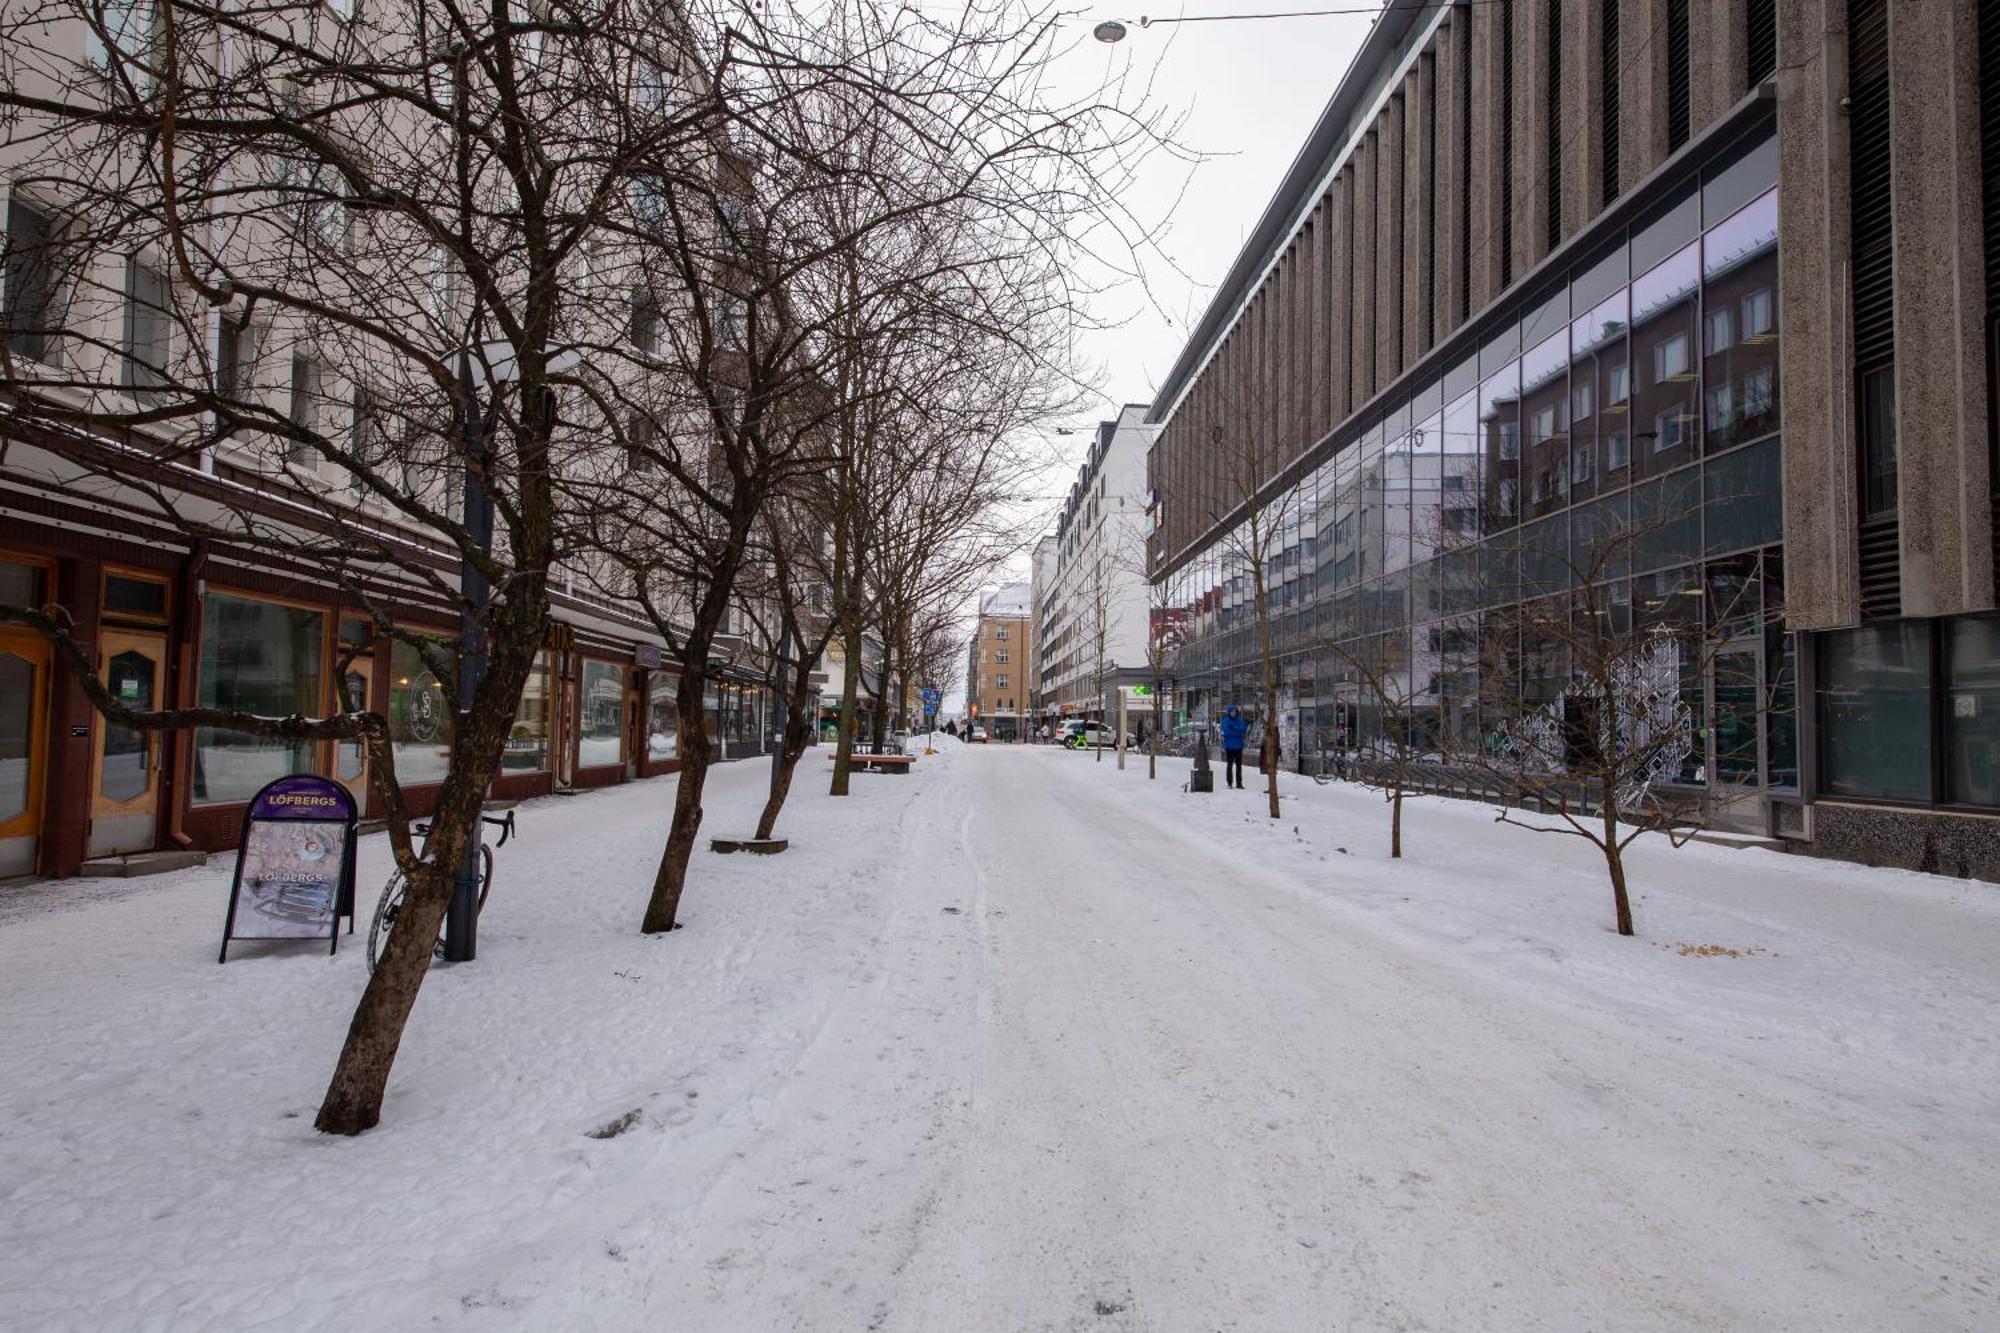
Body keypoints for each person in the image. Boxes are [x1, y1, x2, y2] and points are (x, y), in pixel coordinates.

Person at [1218, 704, 1248, 789]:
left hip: (1238, 746)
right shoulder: (1225, 721)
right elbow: (1226, 731)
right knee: (1229, 765)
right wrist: (1236, 731)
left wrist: (1233, 730)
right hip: (1229, 747)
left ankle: (1239, 783)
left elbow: (1243, 730)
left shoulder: (1240, 721)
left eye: (1235, 711)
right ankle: (1229, 783)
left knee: (1239, 766)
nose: (1233, 713)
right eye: (1232, 711)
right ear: (1229, 712)